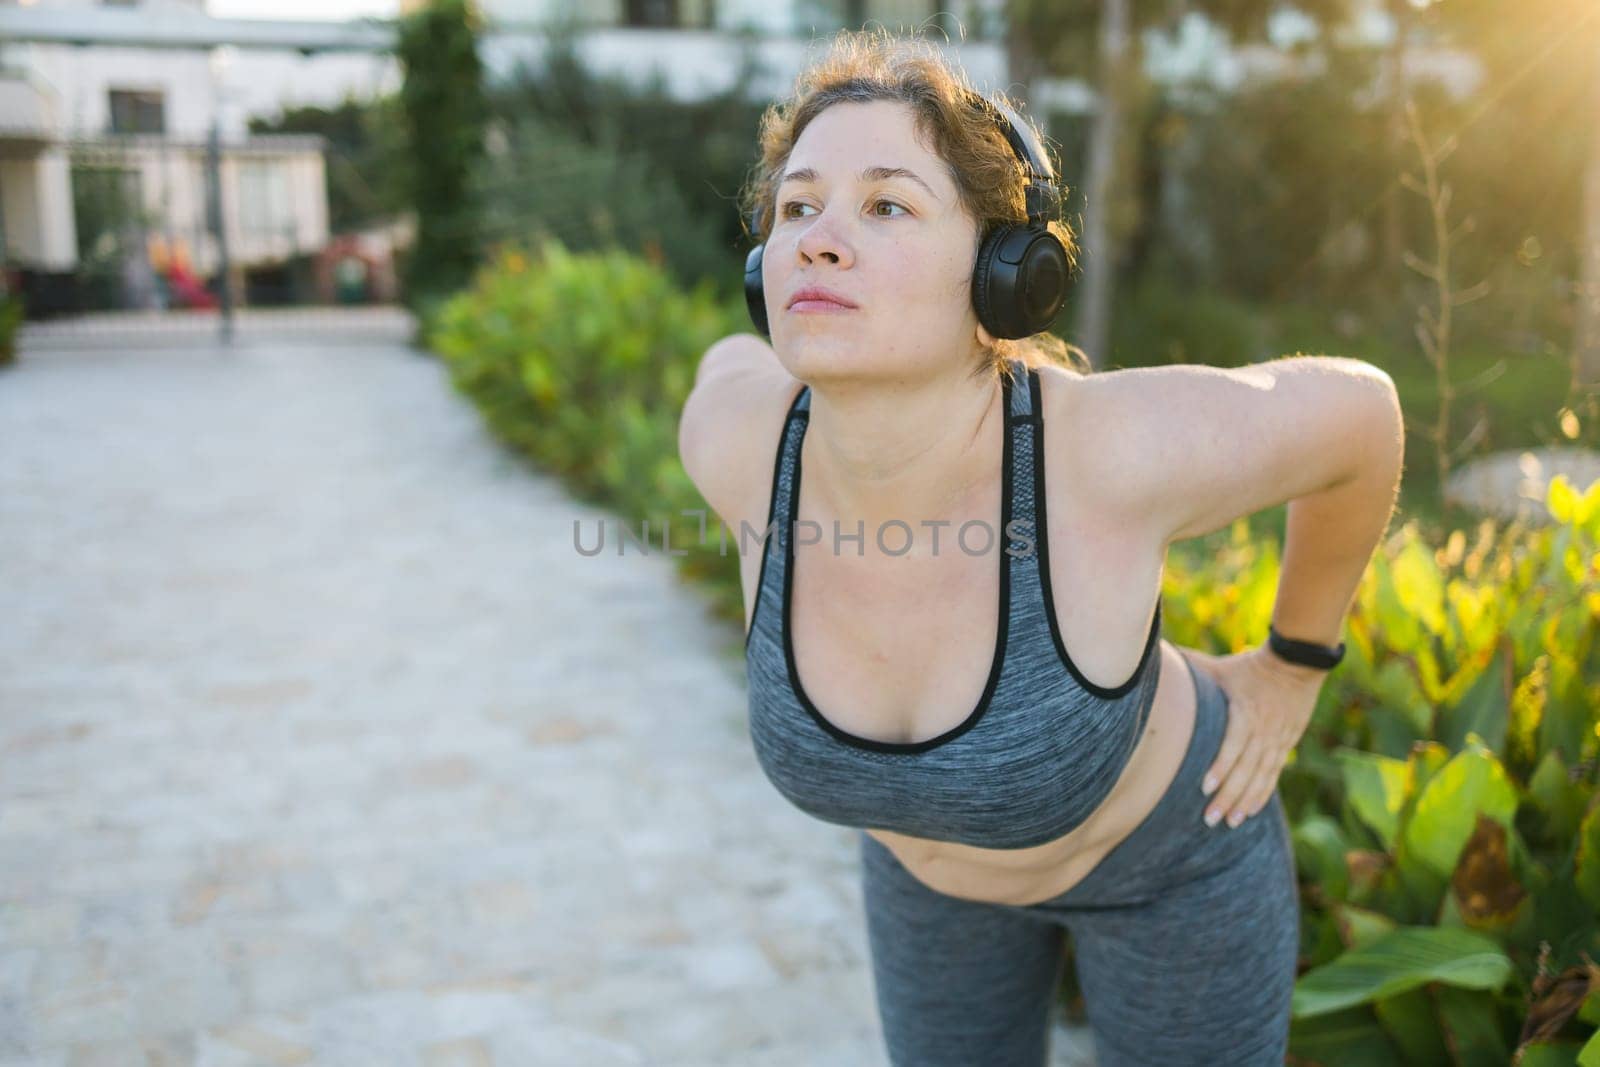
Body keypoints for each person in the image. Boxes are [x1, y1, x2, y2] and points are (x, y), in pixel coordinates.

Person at [676, 28, 1404, 1067]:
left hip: (1167, 868)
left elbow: (1363, 420)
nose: (818, 240)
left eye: (886, 204)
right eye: (797, 208)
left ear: (1005, 274)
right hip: (928, 887)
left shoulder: (1104, 454)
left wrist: (1294, 666)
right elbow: (723, 362)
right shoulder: (742, 445)